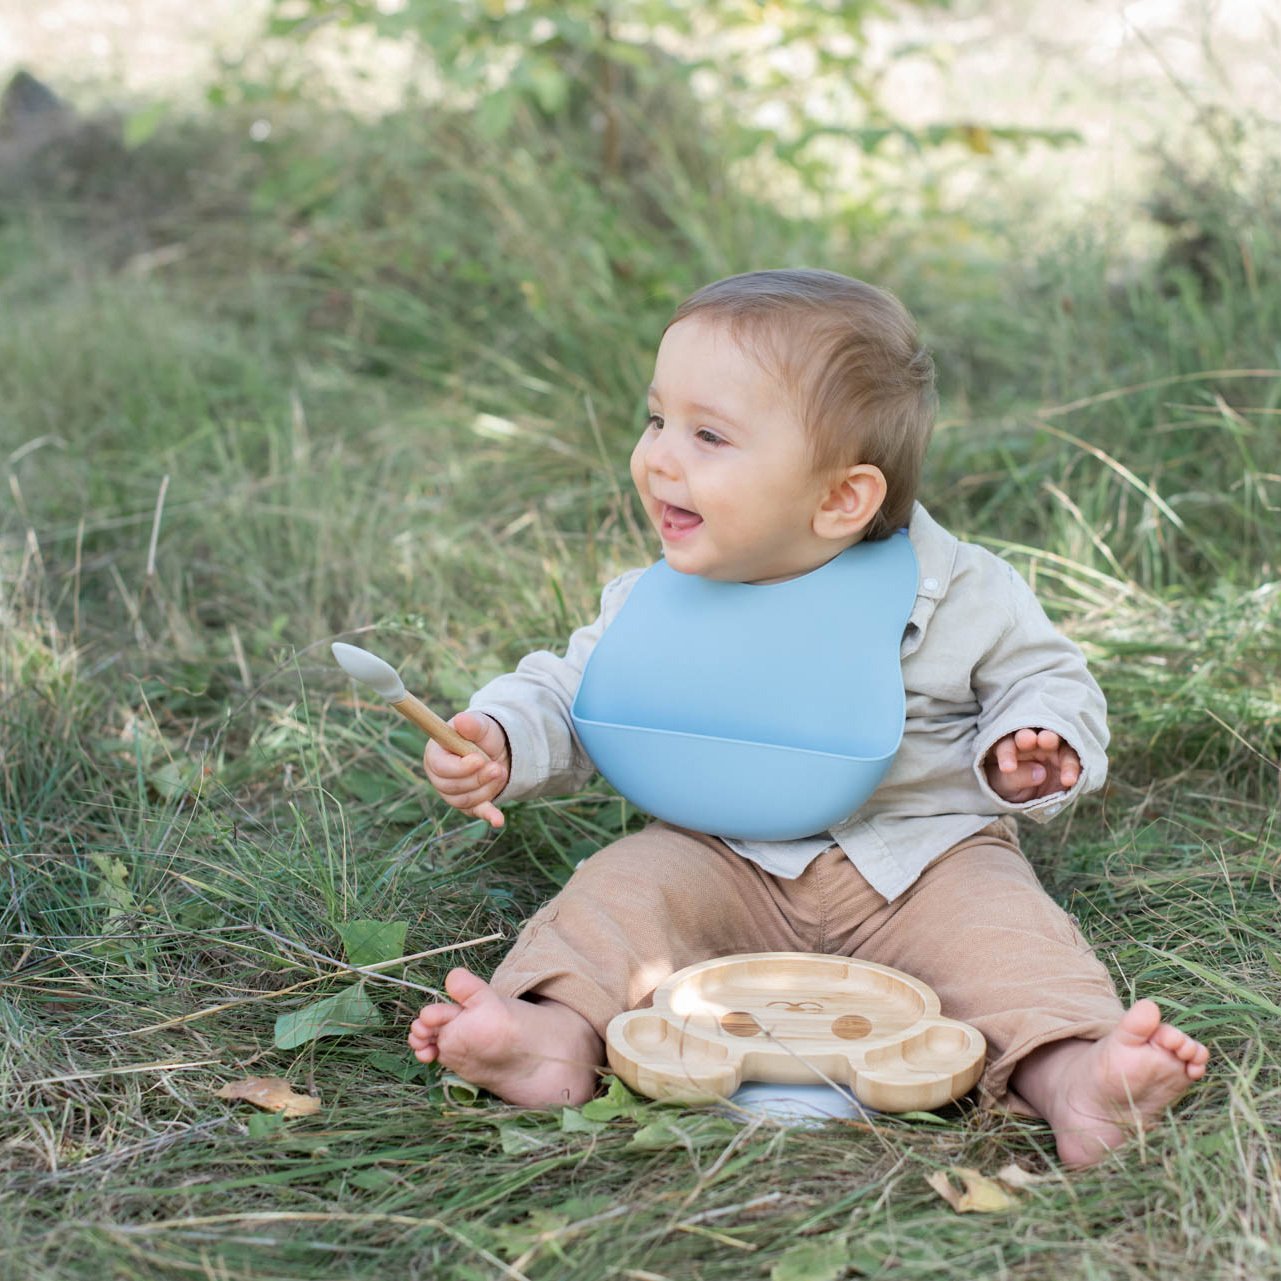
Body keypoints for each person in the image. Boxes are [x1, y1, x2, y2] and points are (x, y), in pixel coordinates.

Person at [406, 269, 1208, 1167]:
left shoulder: (962, 591)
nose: (659, 456)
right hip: (718, 850)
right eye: (655, 418)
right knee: (618, 892)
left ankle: (1075, 1075)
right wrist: (504, 736)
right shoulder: (659, 600)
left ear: (839, 499)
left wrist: (1035, 742)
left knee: (1008, 940)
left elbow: (1046, 676)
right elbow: (574, 689)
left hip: (923, 858)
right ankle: (549, 1035)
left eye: (708, 434)